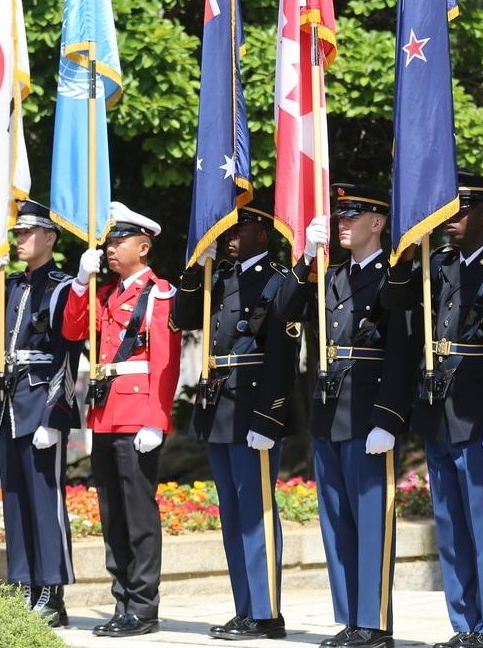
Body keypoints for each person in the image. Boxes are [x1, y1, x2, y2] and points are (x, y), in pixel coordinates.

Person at [382, 173, 483, 648]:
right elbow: (393, 305)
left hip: (480, 409)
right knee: (449, 523)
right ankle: (464, 622)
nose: (451, 220)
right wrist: (405, 257)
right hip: (437, 409)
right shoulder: (436, 264)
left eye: (462, 211)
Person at [172, 197, 303, 640]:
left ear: (261, 234)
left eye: (237, 230)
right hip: (219, 409)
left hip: (253, 411)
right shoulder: (217, 278)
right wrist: (194, 270)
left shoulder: (279, 282)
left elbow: (283, 358)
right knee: (232, 513)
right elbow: (183, 318)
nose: (228, 238)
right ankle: (245, 608)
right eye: (226, 231)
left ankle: (267, 612)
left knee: (256, 513)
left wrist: (268, 419)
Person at [297, 183, 416, 648]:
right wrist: (306, 258)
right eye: (339, 216)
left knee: (370, 521)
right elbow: (286, 313)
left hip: (369, 414)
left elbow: (404, 349)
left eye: (352, 215)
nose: (341, 223)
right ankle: (350, 617)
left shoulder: (395, 276)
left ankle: (374, 621)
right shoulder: (328, 274)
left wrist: (388, 418)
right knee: (337, 521)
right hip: (328, 412)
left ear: (377, 223)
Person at [63, 202, 181, 638]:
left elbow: (165, 363)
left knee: (138, 516)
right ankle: (123, 602)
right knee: (112, 515)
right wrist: (79, 282)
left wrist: (156, 419)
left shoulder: (160, 293)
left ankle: (144, 605)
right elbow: (75, 332)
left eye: (120, 241)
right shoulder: (104, 293)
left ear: (144, 246)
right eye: (110, 242)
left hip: (137, 417)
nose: (111, 249)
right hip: (104, 413)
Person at [0, 199, 81, 627]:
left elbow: (68, 353)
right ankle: (24, 583)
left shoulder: (60, 286)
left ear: (49, 238)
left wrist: (57, 415)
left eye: (27, 233)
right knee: (15, 498)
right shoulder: (12, 286)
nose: (19, 240)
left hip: (40, 401)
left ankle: (52, 591)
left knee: (44, 498)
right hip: (10, 404)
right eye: (16, 234)